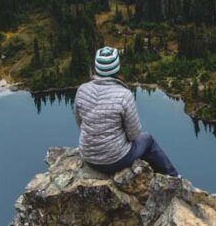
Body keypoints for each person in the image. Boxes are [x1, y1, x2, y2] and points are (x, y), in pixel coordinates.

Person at [74, 46, 179, 176]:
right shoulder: (124, 94)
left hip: (89, 157)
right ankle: (173, 177)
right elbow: (134, 134)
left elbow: (80, 123)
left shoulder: (82, 90)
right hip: (116, 160)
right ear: (117, 67)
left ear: (96, 67)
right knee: (148, 139)